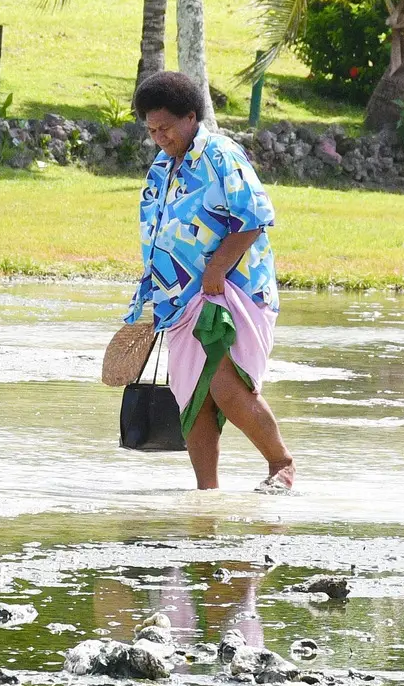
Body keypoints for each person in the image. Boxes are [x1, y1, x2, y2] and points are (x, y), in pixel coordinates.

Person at [124, 71, 295, 492]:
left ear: (191, 117)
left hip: (230, 290)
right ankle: (207, 493)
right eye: (151, 130)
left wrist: (216, 269)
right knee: (193, 402)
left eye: (165, 127)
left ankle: (282, 465)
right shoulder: (163, 166)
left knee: (226, 386)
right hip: (179, 298)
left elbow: (254, 217)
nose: (159, 137)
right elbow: (158, 232)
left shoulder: (220, 154)